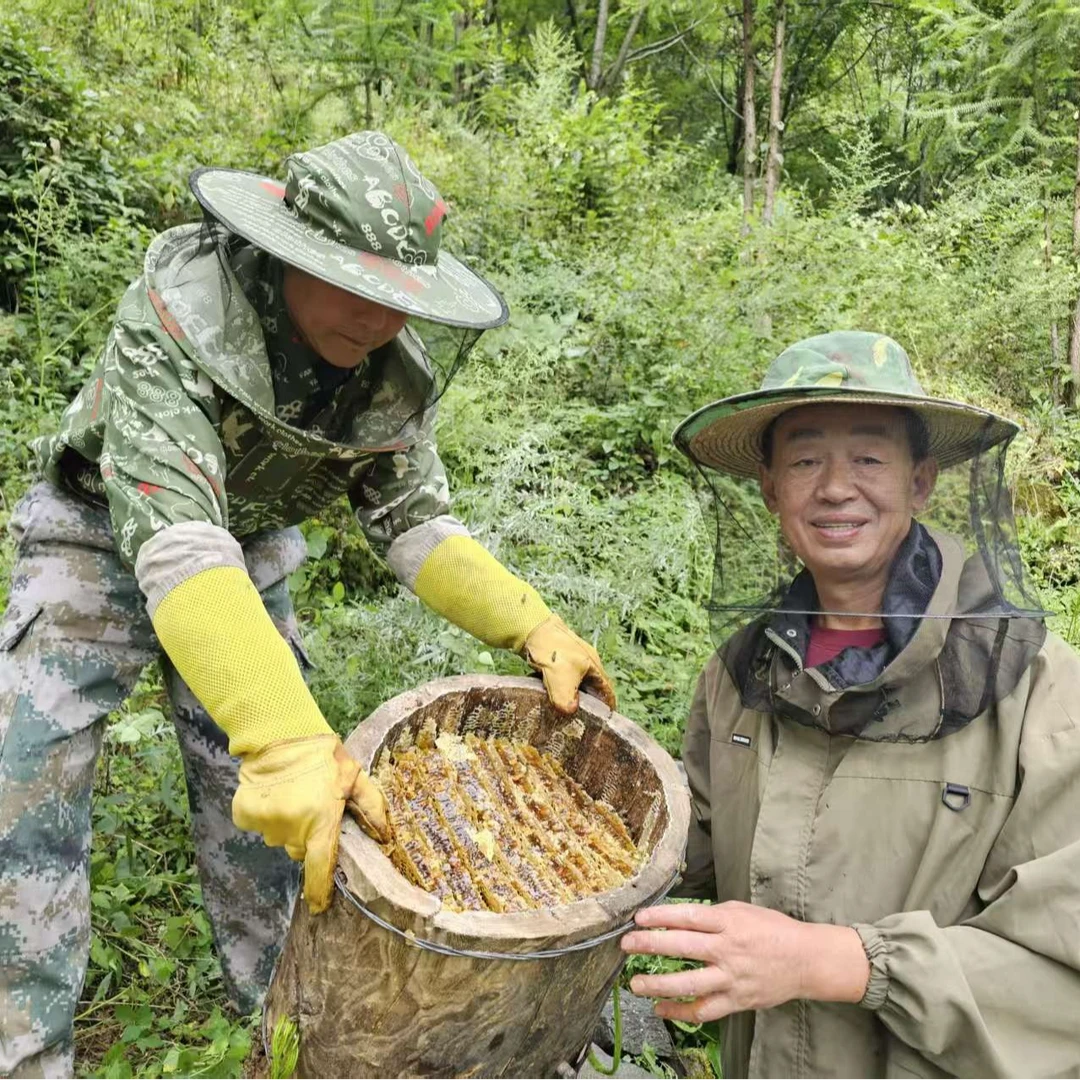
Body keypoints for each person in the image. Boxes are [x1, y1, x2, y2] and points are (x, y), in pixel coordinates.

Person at [0, 131, 614, 1078]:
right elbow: (173, 537)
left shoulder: (386, 374)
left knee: (283, 825)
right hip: (100, 539)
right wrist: (282, 733)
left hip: (243, 555)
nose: (375, 319)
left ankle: (284, 1032)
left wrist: (528, 620)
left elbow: (413, 523)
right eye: (350, 284)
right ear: (288, 254)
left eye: (393, 296)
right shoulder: (177, 310)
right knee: (23, 792)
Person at [621, 332, 1080, 1079]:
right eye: (805, 460)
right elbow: (680, 859)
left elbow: (1062, 979)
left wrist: (834, 962)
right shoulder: (738, 680)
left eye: (868, 458)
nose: (836, 488)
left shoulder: (1038, 692)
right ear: (770, 489)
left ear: (920, 481)